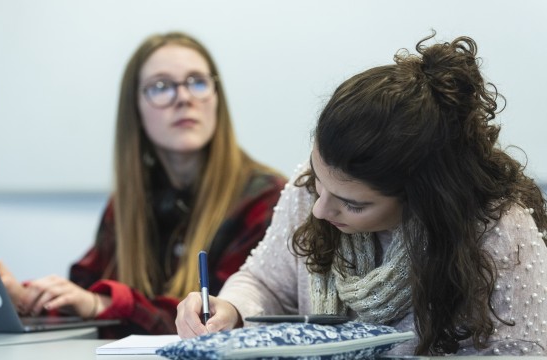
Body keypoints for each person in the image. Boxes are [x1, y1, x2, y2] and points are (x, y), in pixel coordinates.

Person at [175, 33, 547, 356]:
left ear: (425, 198)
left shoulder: (497, 226)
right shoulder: (308, 188)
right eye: (320, 178)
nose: (320, 209)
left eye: (354, 204)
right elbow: (264, 281)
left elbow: (523, 352)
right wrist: (231, 308)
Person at [0, 32, 286, 339]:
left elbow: (217, 320)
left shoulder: (265, 199)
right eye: (161, 86)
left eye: (197, 81)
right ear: (135, 109)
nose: (184, 98)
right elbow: (82, 294)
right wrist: (23, 299)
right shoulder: (129, 202)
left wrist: (101, 303)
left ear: (217, 98)